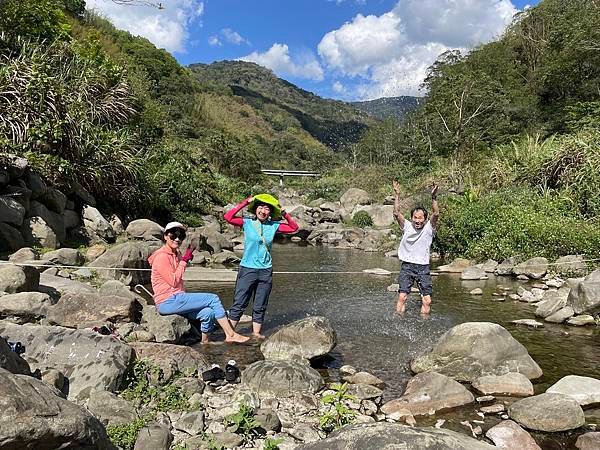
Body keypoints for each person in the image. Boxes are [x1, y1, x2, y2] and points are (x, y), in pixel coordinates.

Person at [148, 221, 249, 344]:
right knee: (213, 299)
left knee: (208, 313)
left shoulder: (175, 254)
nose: (177, 239)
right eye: (173, 236)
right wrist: (184, 261)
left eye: (181, 236)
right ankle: (230, 334)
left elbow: (178, 275)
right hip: (168, 301)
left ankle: (205, 342)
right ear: (165, 236)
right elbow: (173, 281)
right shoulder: (161, 257)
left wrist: (183, 259)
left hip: (177, 298)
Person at [224, 194, 299, 339]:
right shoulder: (246, 223)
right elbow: (228, 217)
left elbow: (294, 228)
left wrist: (283, 213)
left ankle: (256, 334)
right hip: (247, 268)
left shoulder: (274, 226)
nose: (263, 211)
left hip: (265, 270)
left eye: (267, 209)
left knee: (261, 303)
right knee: (240, 302)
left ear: (270, 212)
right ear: (255, 209)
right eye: (260, 207)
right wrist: (246, 202)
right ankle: (229, 333)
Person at [393, 181, 439, 315]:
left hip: (423, 267)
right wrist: (397, 195)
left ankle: (424, 324)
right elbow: (396, 213)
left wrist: (434, 198)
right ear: (411, 218)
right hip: (407, 266)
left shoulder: (429, 228)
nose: (417, 221)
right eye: (415, 218)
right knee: (402, 297)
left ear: (424, 219)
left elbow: (436, 214)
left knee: (427, 300)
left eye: (420, 218)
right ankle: (398, 321)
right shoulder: (407, 226)